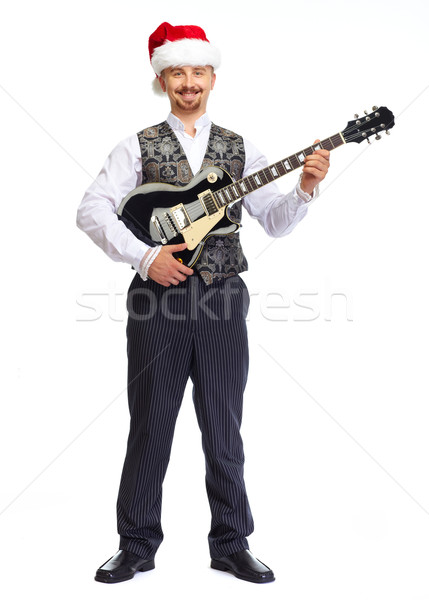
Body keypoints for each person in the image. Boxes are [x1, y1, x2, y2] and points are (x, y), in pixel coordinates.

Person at [76, 21, 330, 585]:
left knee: (223, 425)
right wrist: (146, 258)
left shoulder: (240, 149)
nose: (188, 82)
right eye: (176, 73)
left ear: (212, 76)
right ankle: (136, 544)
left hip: (221, 300)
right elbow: (92, 209)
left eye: (197, 71)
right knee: (151, 424)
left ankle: (231, 543)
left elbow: (277, 223)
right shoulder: (136, 146)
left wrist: (307, 187)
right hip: (155, 301)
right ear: (162, 78)